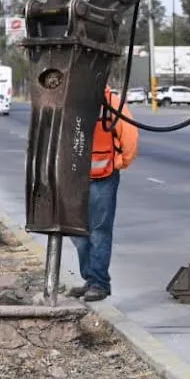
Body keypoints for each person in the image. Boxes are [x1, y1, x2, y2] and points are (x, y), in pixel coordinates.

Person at [68, 85, 138, 302]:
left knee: (99, 231)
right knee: (77, 232)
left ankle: (99, 283)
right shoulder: (68, 98)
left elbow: (130, 135)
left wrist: (120, 162)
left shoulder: (111, 102)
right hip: (73, 178)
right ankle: (90, 278)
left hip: (103, 177)